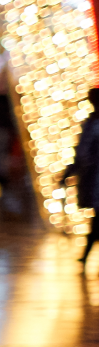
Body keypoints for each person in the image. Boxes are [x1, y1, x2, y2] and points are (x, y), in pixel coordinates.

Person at [61, 86, 99, 265]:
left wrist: (70, 172)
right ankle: (87, 253)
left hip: (94, 179)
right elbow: (82, 153)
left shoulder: (92, 124)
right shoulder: (91, 123)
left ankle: (86, 253)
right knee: (97, 218)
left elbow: (83, 153)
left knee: (97, 219)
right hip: (93, 179)